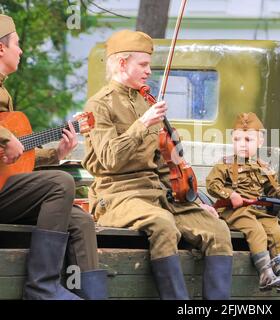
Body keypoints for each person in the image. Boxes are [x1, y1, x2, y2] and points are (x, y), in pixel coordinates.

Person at [82, 29, 233, 300]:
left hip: (157, 193)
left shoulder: (145, 102)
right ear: (121, 63)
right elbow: (109, 158)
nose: (148, 71)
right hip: (118, 195)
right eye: (142, 64)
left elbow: (165, 162)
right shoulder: (99, 105)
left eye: (148, 65)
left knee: (218, 229)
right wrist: (142, 125)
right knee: (163, 224)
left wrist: (195, 201)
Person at [0, 14, 107, 300]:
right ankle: (41, 288)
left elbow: (13, 162)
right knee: (61, 183)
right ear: (1, 48)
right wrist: (6, 137)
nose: (21, 50)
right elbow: (7, 143)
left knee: (81, 220)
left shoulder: (4, 92)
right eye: (17, 44)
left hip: (5, 192)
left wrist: (56, 153)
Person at [206, 112, 280, 293]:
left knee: (274, 228)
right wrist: (229, 194)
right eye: (237, 139)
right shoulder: (225, 164)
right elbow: (212, 184)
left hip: (255, 211)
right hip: (233, 211)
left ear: (260, 142)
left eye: (248, 139)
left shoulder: (263, 167)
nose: (242, 144)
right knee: (256, 230)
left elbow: (275, 189)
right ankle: (265, 274)